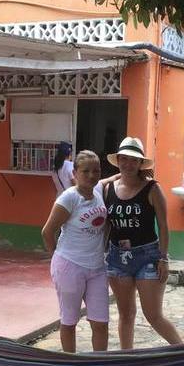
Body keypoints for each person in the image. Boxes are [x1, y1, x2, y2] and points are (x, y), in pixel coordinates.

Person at [104, 136, 182, 349]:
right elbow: (106, 226)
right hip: (117, 258)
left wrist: (163, 258)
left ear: (140, 163)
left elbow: (163, 226)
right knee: (126, 314)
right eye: (124, 159)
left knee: (153, 315)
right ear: (118, 160)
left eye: (134, 160)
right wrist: (102, 254)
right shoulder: (108, 189)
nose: (128, 164)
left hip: (148, 257)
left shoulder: (152, 189)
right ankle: (126, 361)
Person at [41, 150, 109, 353]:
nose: (91, 175)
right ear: (75, 173)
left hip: (97, 269)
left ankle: (99, 365)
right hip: (70, 266)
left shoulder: (98, 191)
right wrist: (58, 258)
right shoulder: (69, 198)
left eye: (96, 170)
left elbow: (110, 179)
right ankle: (71, 364)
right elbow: (47, 232)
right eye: (85, 171)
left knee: (101, 322)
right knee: (69, 321)